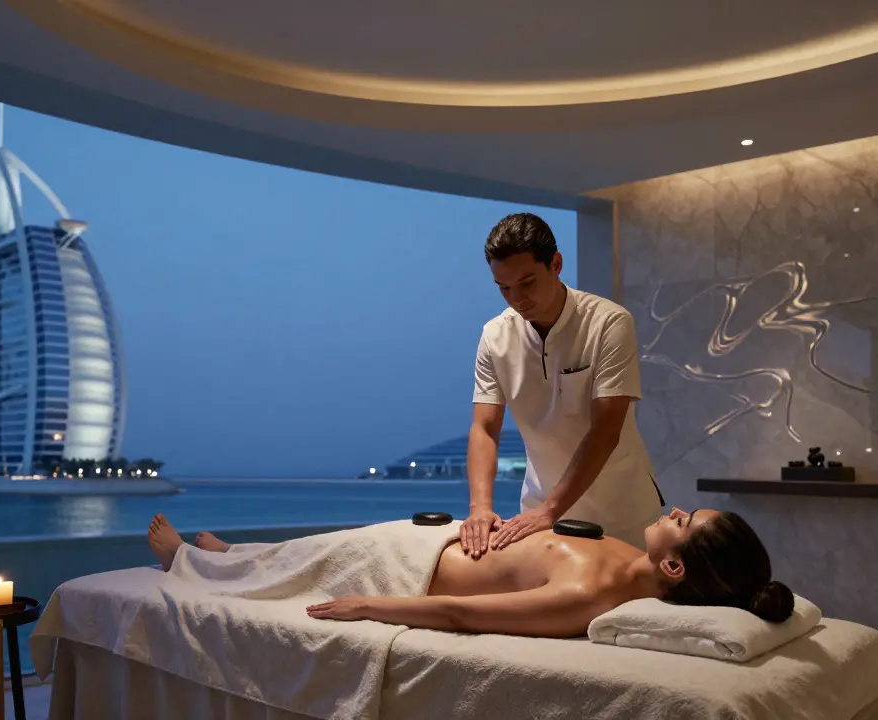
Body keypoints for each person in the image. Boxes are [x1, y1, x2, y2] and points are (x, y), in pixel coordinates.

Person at [147, 509, 795, 639]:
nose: (674, 507)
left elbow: (462, 614)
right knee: (302, 548)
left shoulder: (587, 597)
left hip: (409, 567)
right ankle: (233, 555)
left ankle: (187, 559)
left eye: (684, 519)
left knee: (309, 559)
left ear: (673, 564)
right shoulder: (626, 552)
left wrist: (370, 607)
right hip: (441, 536)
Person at [462, 212, 663, 559]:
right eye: (504, 288)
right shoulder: (495, 336)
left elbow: (605, 429)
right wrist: (480, 508)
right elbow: (484, 428)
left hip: (620, 510)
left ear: (556, 263)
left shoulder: (608, 323)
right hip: (539, 511)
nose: (517, 298)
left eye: (527, 282)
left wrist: (551, 510)